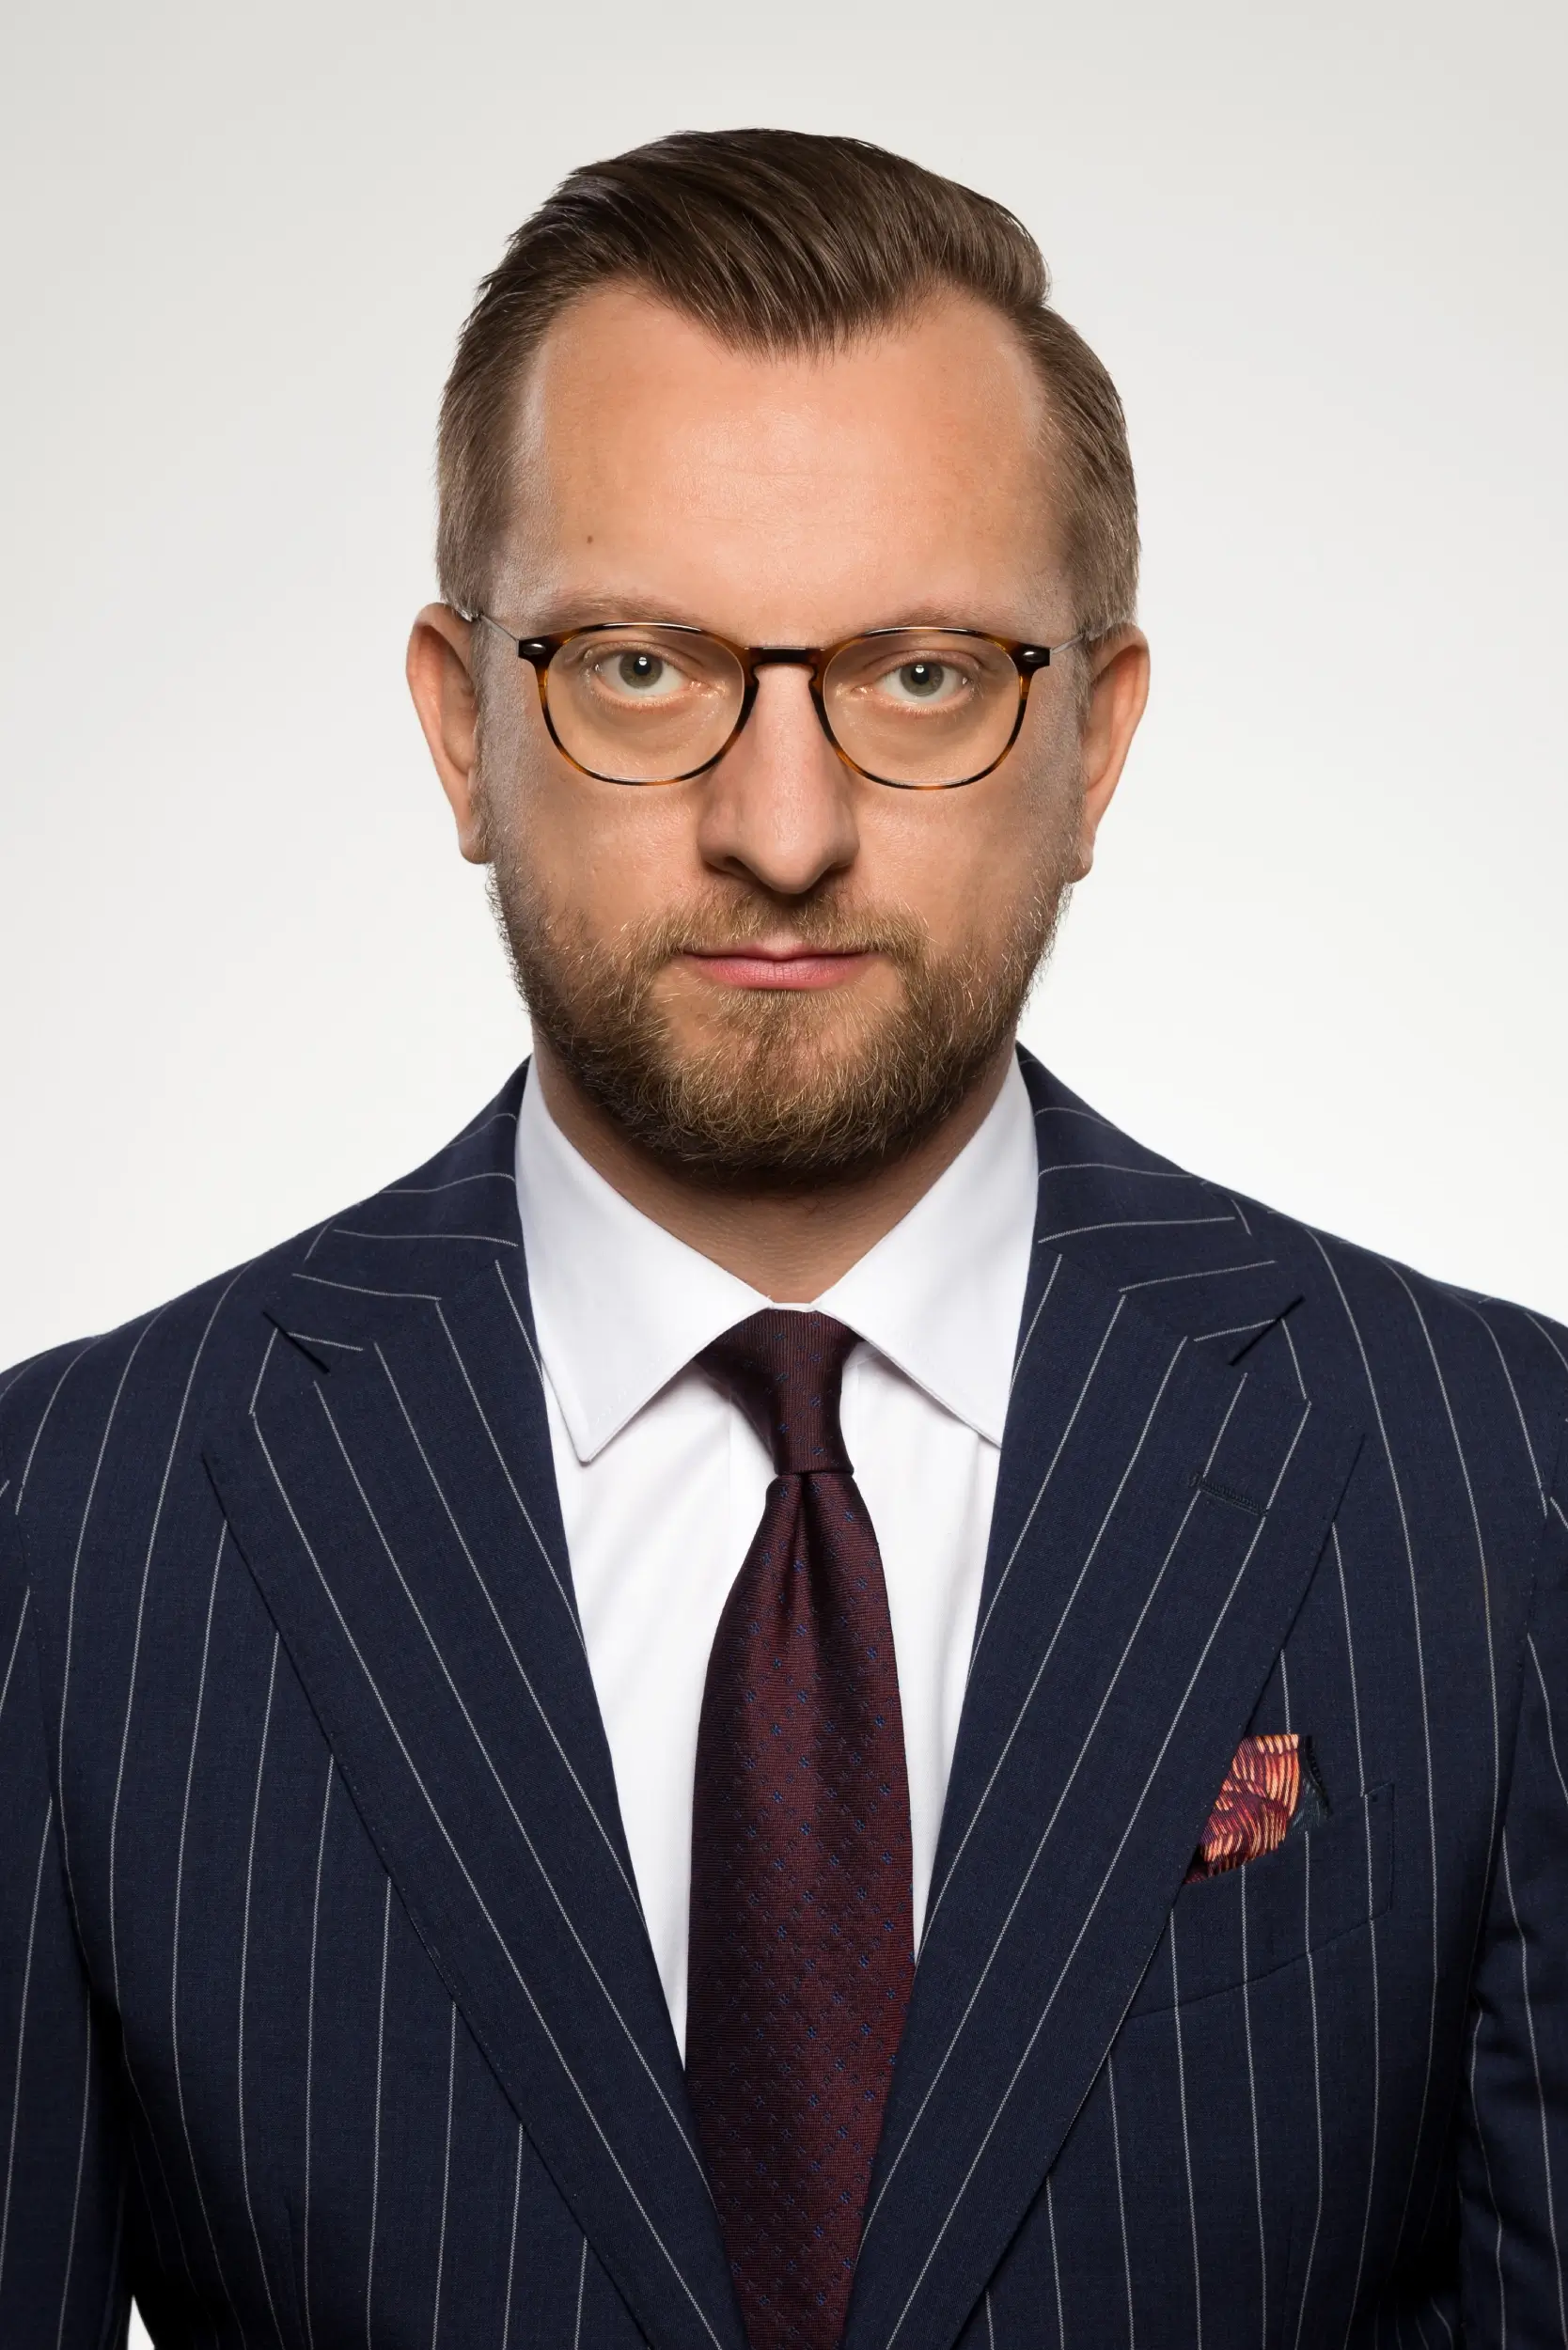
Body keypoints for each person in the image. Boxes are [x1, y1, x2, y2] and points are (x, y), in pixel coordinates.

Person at [1, 127, 1563, 2350]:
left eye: (922, 675)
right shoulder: (70, 1538)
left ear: (1093, 742)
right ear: (462, 727)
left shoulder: (1499, 1487)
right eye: (643, 666)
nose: (785, 824)